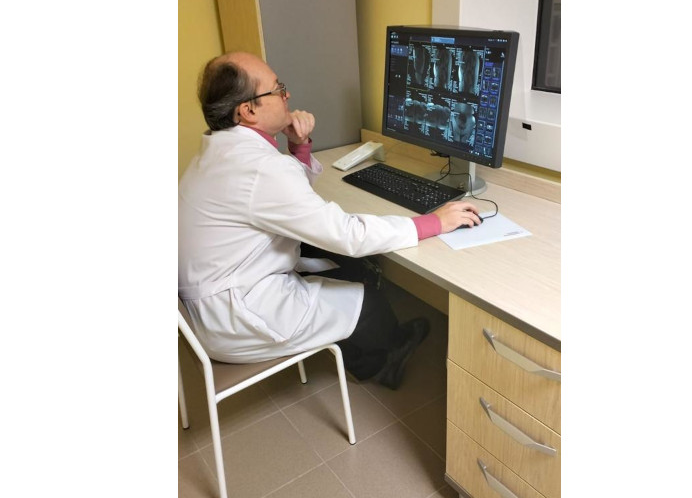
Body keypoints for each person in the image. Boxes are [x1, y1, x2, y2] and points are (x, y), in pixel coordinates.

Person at [178, 52, 481, 389]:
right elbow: (348, 235)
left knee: (341, 262)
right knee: (368, 299)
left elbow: (286, 204)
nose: (287, 94)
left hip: (211, 304)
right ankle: (382, 364)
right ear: (248, 111)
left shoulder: (220, 149)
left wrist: (299, 146)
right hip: (239, 317)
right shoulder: (261, 167)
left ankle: (355, 341)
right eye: (278, 89)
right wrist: (433, 222)